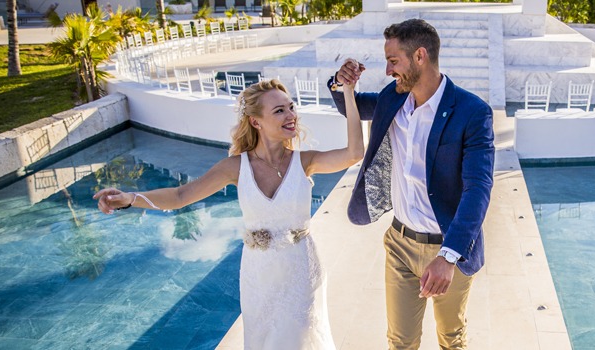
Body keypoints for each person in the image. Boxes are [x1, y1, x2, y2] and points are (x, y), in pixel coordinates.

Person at [93, 76, 365, 350]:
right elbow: (180, 196)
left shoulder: (306, 161)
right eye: (279, 110)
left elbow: (354, 153)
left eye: (291, 107)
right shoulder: (235, 167)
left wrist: (349, 93)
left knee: (303, 337)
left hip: (301, 271)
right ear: (256, 122)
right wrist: (131, 198)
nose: (291, 115)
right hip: (259, 276)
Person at [328, 19, 495, 350]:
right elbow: (354, 106)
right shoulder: (394, 98)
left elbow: (478, 189)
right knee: (400, 342)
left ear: (420, 56)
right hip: (400, 244)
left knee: (451, 338)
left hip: (451, 247)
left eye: (393, 61)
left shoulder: (472, 112)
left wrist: (448, 257)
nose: (389, 71)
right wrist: (340, 83)